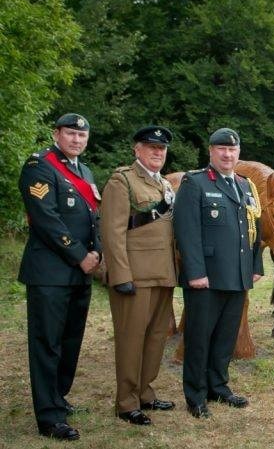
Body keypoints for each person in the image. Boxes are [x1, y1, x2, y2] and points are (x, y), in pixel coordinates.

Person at [18, 113, 101, 440]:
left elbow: (94, 217)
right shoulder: (39, 166)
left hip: (79, 274)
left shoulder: (84, 171)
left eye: (82, 135)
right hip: (50, 273)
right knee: (47, 343)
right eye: (70, 134)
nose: (77, 140)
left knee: (69, 341)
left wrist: (97, 252)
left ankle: (58, 398)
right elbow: (46, 219)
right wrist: (81, 255)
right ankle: (49, 417)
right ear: (57, 134)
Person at [173, 127, 264, 419]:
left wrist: (255, 265)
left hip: (237, 275)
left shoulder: (245, 185)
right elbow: (186, 232)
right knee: (199, 339)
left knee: (225, 337)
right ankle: (196, 396)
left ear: (238, 153)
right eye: (222, 149)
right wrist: (195, 272)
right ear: (211, 151)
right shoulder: (195, 183)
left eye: (233, 150)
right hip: (206, 278)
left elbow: (255, 228)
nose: (228, 154)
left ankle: (219, 386)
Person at [100, 126, 177, 425]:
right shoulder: (123, 181)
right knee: (131, 339)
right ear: (137, 150)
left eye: (162, 149)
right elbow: (112, 232)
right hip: (134, 276)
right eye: (151, 147)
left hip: (163, 274)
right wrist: (120, 275)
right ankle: (126, 401)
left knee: (156, 338)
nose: (158, 152)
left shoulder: (164, 186)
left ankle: (146, 392)